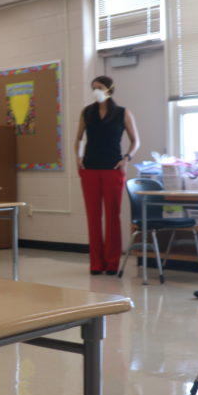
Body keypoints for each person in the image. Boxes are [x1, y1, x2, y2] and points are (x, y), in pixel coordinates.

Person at [75, 76, 139, 275]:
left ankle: (112, 262)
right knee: (93, 217)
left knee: (113, 217)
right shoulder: (87, 112)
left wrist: (126, 158)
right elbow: (78, 138)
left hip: (113, 169)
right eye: (93, 87)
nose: (96, 91)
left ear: (109, 89)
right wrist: (77, 157)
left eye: (99, 87)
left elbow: (135, 141)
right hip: (90, 169)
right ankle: (96, 263)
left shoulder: (122, 113)